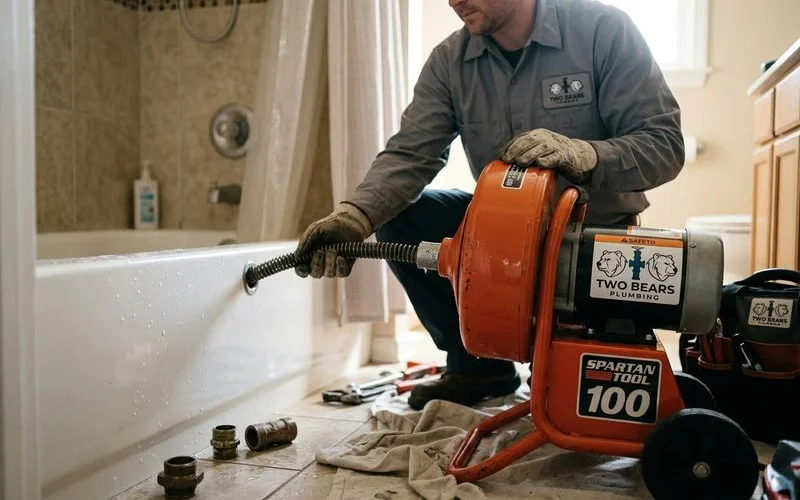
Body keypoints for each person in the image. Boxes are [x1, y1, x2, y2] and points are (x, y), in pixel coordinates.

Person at [294, 0, 685, 411]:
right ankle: (478, 366)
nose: (453, 1)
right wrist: (355, 216)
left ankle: (558, 352)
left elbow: (665, 145)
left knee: (567, 396)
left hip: (593, 243)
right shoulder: (450, 62)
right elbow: (411, 155)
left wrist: (585, 154)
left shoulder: (603, 30)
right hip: (506, 237)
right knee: (401, 218)